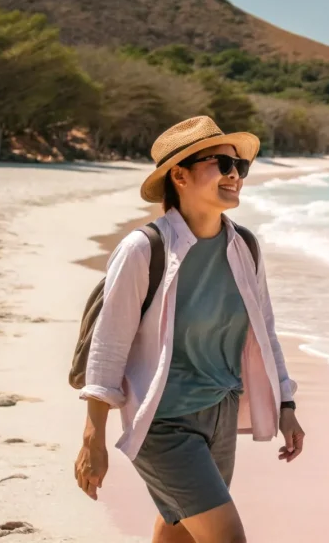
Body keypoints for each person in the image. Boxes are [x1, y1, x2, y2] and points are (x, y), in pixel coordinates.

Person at [73, 116, 304, 543]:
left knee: (181, 533)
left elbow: (264, 330)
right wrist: (94, 438)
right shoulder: (144, 249)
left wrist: (286, 402)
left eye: (241, 167)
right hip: (163, 422)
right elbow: (108, 346)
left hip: (221, 411)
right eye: (221, 164)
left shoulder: (245, 246)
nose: (235, 175)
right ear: (179, 174)